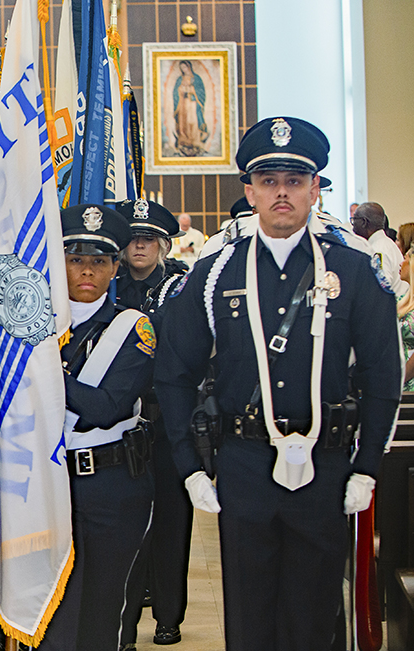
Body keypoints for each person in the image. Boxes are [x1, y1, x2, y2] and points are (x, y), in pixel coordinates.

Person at [153, 116, 403, 651]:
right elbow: (174, 372)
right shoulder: (215, 272)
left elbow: (384, 376)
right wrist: (190, 468)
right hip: (244, 464)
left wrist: (367, 469)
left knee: (314, 616)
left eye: (295, 180)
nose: (282, 192)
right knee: (248, 616)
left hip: (328, 465)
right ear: (249, 190)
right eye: (269, 181)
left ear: (315, 189)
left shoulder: (356, 271)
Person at [38, 204, 155, 651]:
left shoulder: (133, 328)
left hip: (108, 486)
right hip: (47, 482)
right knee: (51, 607)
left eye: (100, 261)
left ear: (114, 268)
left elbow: (105, 407)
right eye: (75, 259)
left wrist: (42, 371)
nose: (87, 270)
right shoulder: (40, 325)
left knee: (103, 610)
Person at [114, 199, 192, 648]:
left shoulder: (181, 286)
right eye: (132, 238)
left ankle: (168, 614)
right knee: (125, 521)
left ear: (164, 244)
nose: (139, 245)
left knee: (169, 521)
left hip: (165, 421)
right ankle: (125, 615)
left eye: (148, 239)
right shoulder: (107, 284)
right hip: (118, 422)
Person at [351, 201, 408, 299]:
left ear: (364, 222)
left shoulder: (378, 250)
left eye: (354, 220)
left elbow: (380, 290)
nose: (353, 226)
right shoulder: (386, 244)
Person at [173, 60, 208, 156]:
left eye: (185, 67)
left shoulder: (196, 79)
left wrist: (192, 90)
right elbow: (175, 93)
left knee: (193, 122)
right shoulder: (180, 79)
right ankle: (184, 141)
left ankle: (195, 142)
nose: (184, 70)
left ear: (189, 67)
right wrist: (180, 90)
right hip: (183, 104)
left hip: (192, 104)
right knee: (183, 123)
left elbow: (201, 92)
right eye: (182, 68)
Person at [398, 246, 414, 391]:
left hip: (409, 384)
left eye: (405, 259)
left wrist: (401, 378)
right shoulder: (404, 299)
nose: (400, 263)